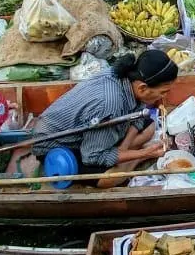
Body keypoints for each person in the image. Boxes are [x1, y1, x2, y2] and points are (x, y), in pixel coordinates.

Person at [32, 50, 179, 188]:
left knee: (150, 126)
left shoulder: (127, 78)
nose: (164, 97)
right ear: (142, 88)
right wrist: (144, 154)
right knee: (111, 178)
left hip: (97, 130)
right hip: (59, 145)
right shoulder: (109, 105)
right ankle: (136, 158)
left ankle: (124, 152)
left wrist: (123, 148)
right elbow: (92, 157)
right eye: (163, 92)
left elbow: (139, 111)